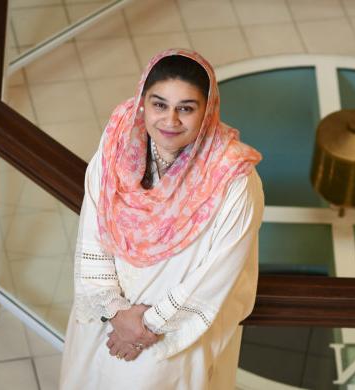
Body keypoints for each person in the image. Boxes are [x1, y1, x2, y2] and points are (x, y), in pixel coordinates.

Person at [59, 49, 264, 389]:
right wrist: (114, 310)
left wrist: (145, 327)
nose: (170, 121)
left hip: (168, 337)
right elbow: (92, 232)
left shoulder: (233, 179)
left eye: (186, 108)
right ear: (143, 103)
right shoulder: (117, 146)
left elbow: (217, 273)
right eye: (159, 105)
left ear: (207, 112)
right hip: (107, 320)